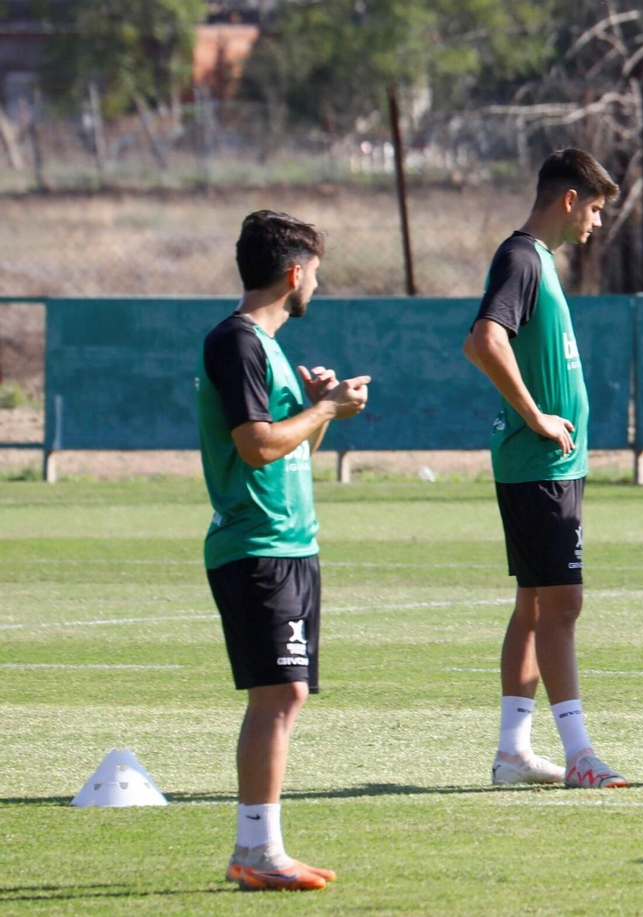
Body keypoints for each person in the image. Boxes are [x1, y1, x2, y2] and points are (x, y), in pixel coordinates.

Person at [198, 210, 370, 890]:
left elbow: (286, 446)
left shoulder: (265, 350)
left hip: (292, 543)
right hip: (256, 545)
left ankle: (258, 847)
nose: (318, 287)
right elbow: (255, 444)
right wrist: (325, 410)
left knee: (286, 694)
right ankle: (256, 850)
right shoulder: (236, 341)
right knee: (279, 693)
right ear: (294, 273)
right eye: (317, 274)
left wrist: (319, 404)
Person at [463, 149, 628, 789]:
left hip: (550, 464)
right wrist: (536, 416)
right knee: (563, 604)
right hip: (539, 464)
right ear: (567, 201)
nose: (595, 222)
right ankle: (581, 754)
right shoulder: (522, 258)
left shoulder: (541, 262)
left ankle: (513, 752)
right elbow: (484, 340)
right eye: (592, 208)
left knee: (535, 604)